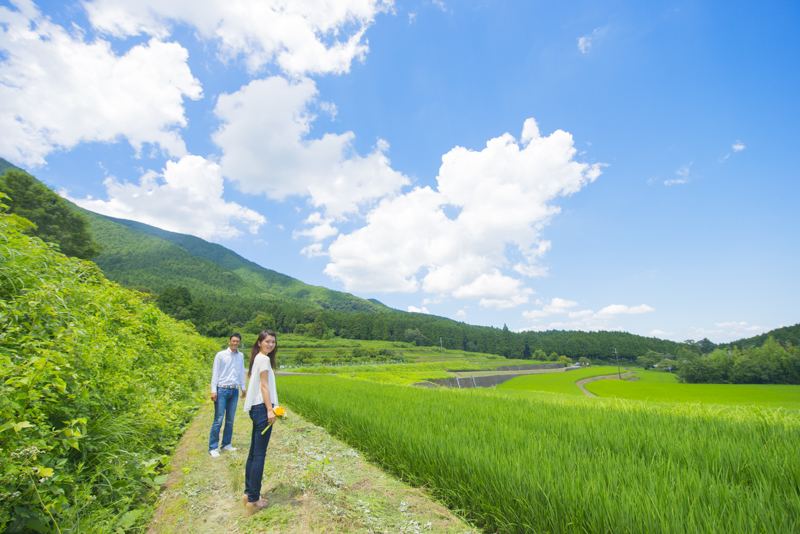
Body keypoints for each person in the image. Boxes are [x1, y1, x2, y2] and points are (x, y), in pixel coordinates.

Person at [242, 330, 279, 515]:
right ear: (259, 342)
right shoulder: (263, 359)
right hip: (262, 409)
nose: (270, 344)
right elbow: (264, 386)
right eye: (267, 341)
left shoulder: (258, 358)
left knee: (252, 454)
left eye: (273, 342)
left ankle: (248, 494)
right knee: (259, 455)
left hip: (256, 409)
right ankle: (254, 500)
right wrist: (270, 409)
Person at [208, 333, 247, 458]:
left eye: (237, 341)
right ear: (229, 342)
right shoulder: (220, 355)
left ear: (239, 343)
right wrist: (213, 390)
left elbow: (241, 373)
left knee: (230, 420)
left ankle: (226, 444)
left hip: (234, 390)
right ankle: (213, 447)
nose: (235, 343)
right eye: (233, 341)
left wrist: (243, 388)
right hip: (222, 390)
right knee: (218, 419)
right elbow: (215, 373)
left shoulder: (240, 356)